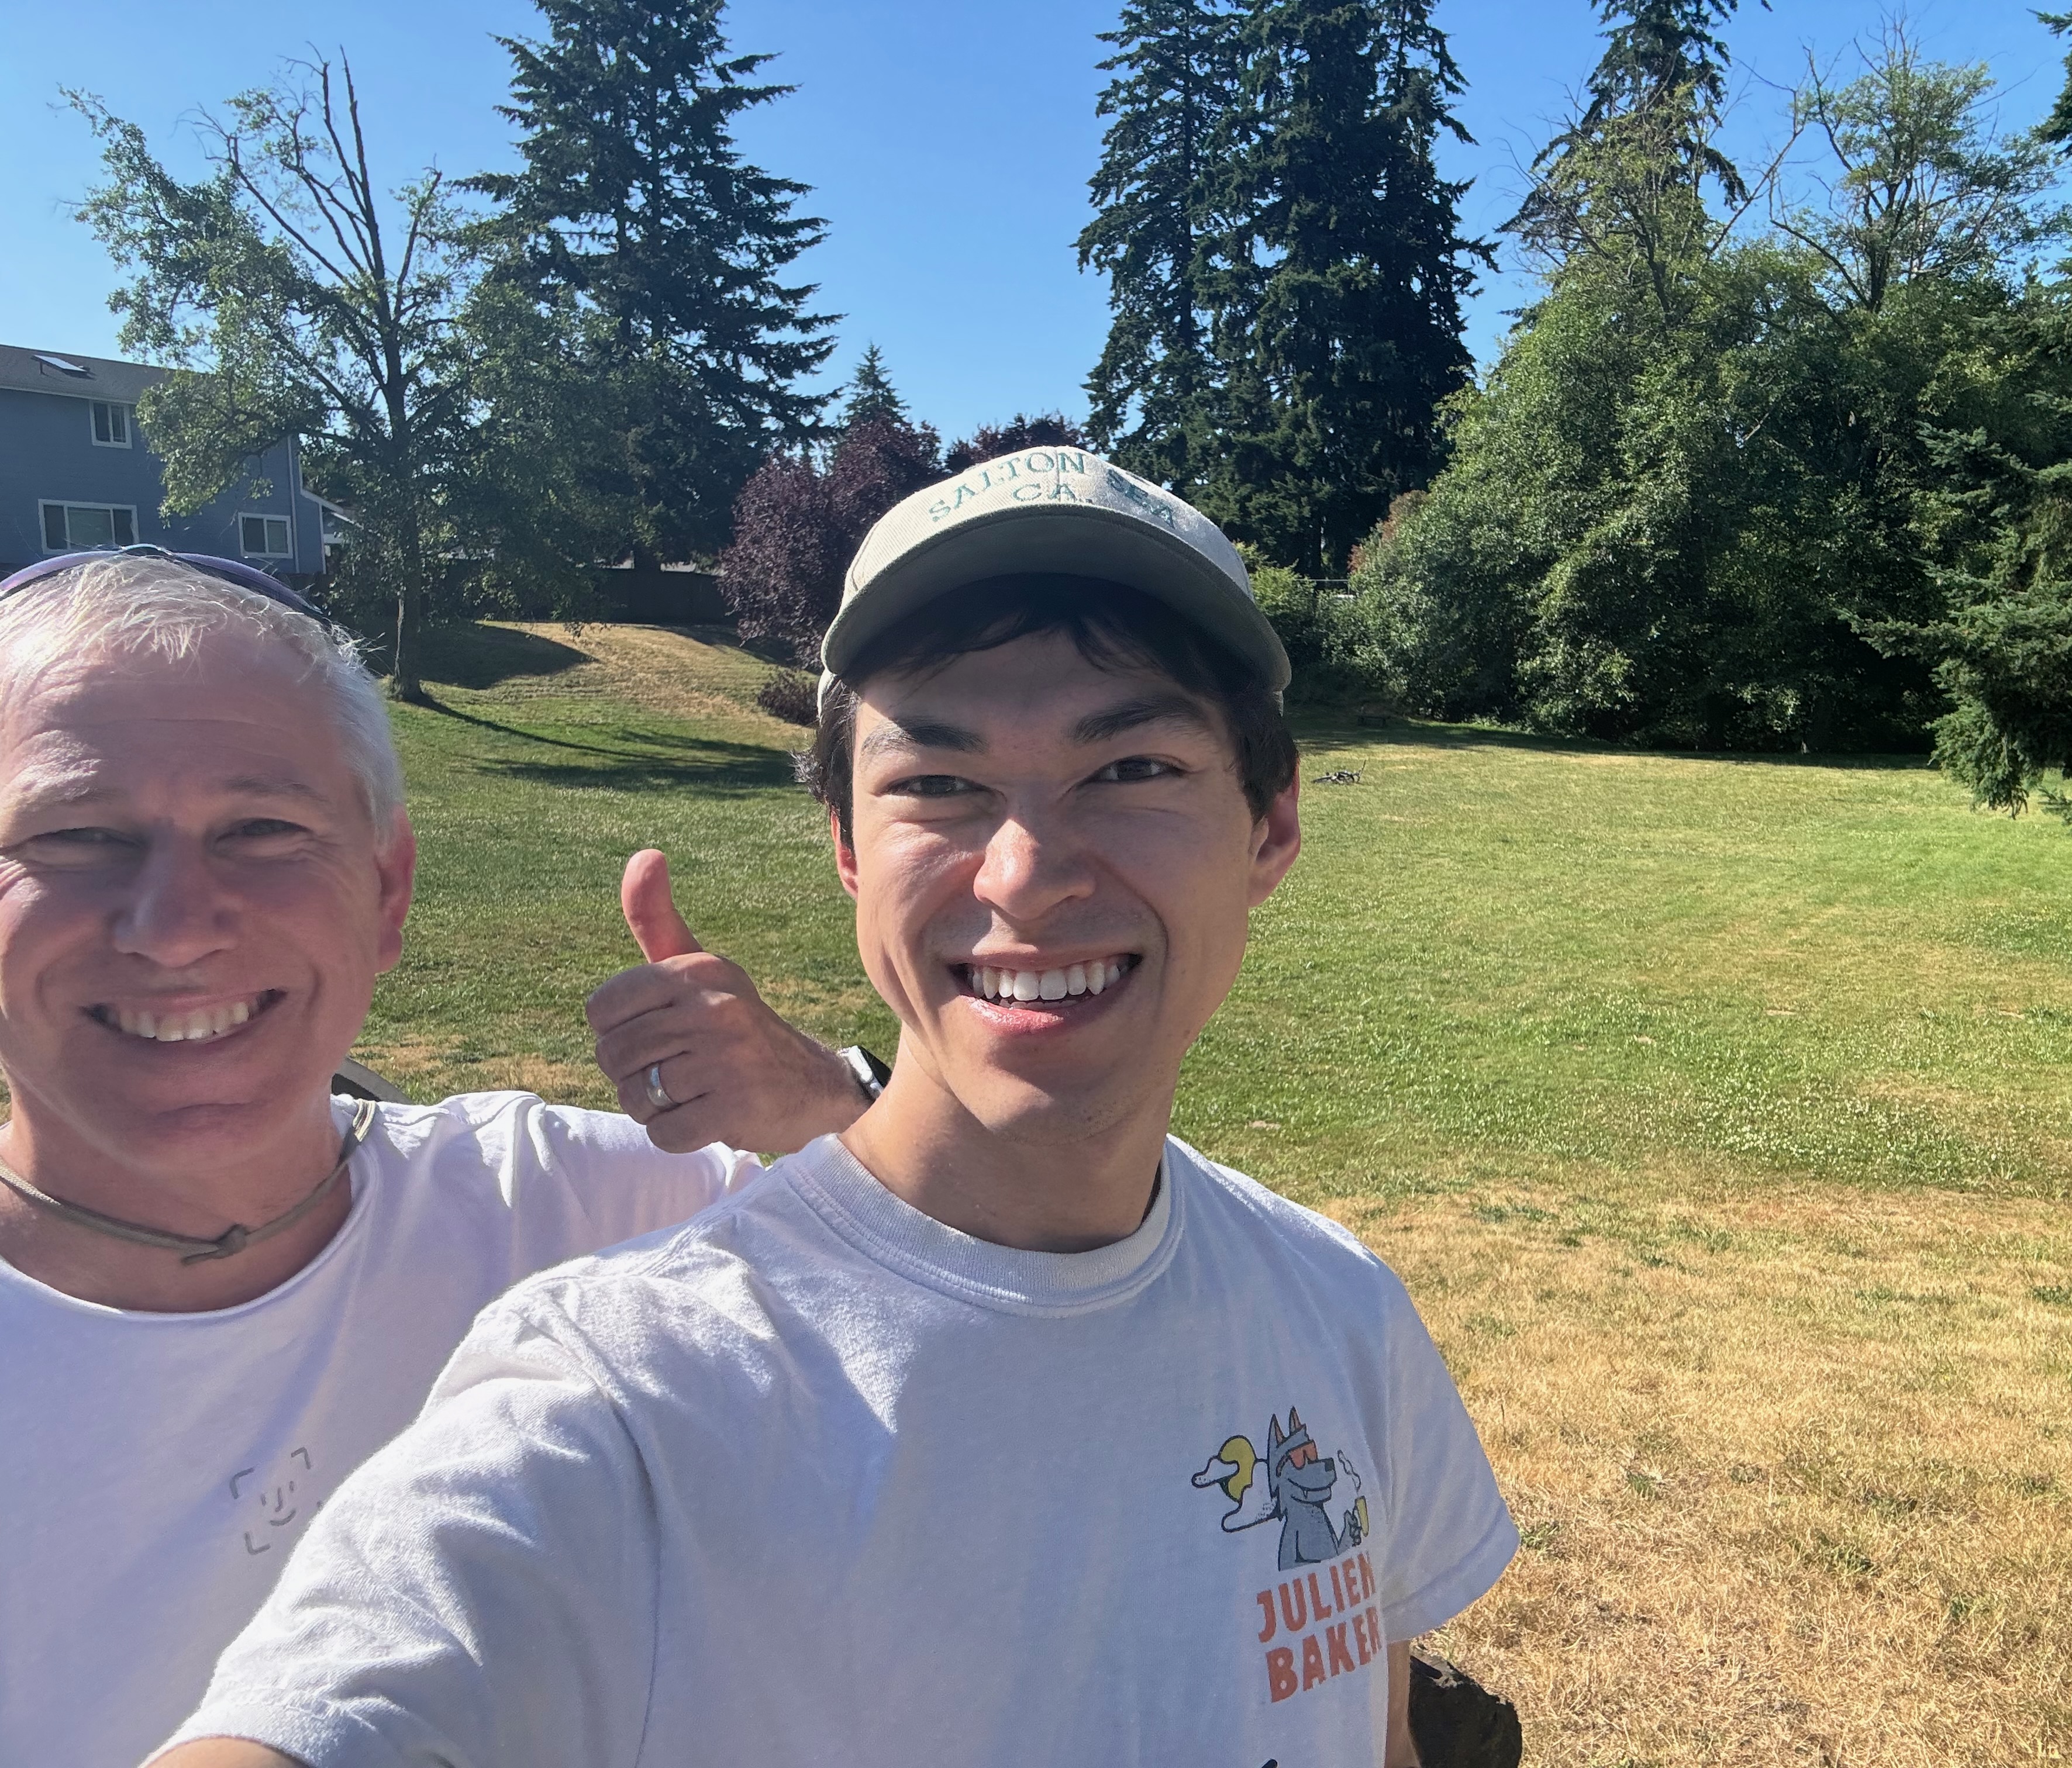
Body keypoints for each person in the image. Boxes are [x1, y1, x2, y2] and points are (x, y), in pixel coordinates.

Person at [154, 447, 1517, 1768]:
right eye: (940, 783)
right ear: (849, 851)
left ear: (1271, 825)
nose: (1029, 876)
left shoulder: (1338, 1311)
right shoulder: (631, 1390)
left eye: (1131, 769)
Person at [0, 548, 870, 1768]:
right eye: (79, 834)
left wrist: (831, 1100)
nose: (177, 925)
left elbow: (999, 1284)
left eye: (262, 829)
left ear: (388, 889)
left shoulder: (565, 1209)